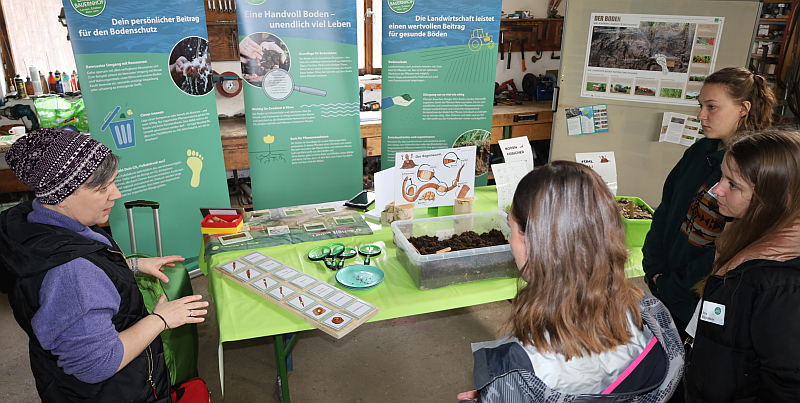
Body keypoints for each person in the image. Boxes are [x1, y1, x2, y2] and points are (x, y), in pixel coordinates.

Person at [0, 128, 208, 402]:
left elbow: (82, 271)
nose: (116, 194)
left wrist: (130, 265)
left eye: (113, 182)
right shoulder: (72, 273)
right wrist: (161, 319)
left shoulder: (44, 219)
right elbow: (97, 364)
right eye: (102, 188)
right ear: (62, 195)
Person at [458, 161, 684, 402]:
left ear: (535, 243)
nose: (510, 241)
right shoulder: (652, 313)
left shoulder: (517, 371)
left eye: (511, 227)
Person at [642, 67, 776, 340]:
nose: (701, 115)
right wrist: (653, 265)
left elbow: (729, 248)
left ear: (743, 109)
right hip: (664, 285)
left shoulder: (756, 170)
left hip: (697, 300)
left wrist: (675, 286)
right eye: (700, 106)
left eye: (711, 107)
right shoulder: (697, 152)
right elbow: (665, 210)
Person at [683, 130, 800, 402]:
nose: (716, 190)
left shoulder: (782, 285)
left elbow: (787, 387)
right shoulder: (744, 236)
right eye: (721, 177)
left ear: (774, 199)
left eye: (733, 184)